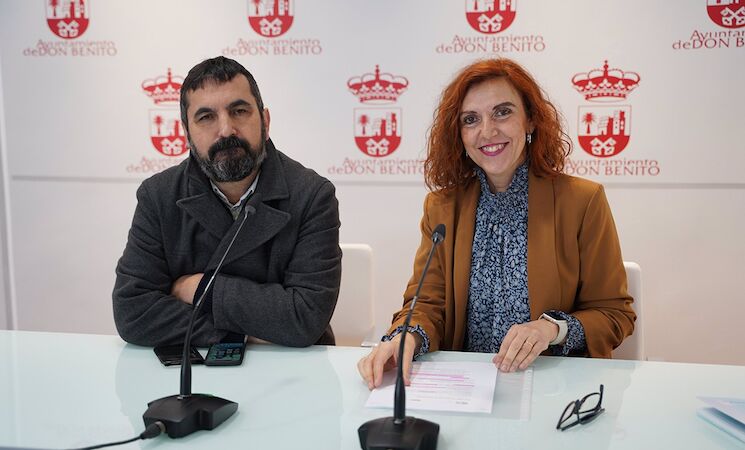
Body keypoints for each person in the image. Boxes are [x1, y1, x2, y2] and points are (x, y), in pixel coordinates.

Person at [358, 58, 635, 389]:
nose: (487, 131)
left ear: (530, 120)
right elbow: (427, 304)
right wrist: (405, 338)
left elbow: (614, 314)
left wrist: (552, 329)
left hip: (551, 388)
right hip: (464, 389)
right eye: (470, 119)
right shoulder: (441, 207)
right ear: (459, 134)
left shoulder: (583, 201)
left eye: (502, 112)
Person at [113, 56, 341, 348]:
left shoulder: (312, 195)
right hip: (198, 363)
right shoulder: (158, 195)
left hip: (292, 365)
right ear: (187, 133)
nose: (225, 130)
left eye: (239, 111)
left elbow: (304, 318)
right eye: (206, 117)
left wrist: (200, 289)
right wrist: (238, 336)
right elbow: (133, 312)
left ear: (265, 121)